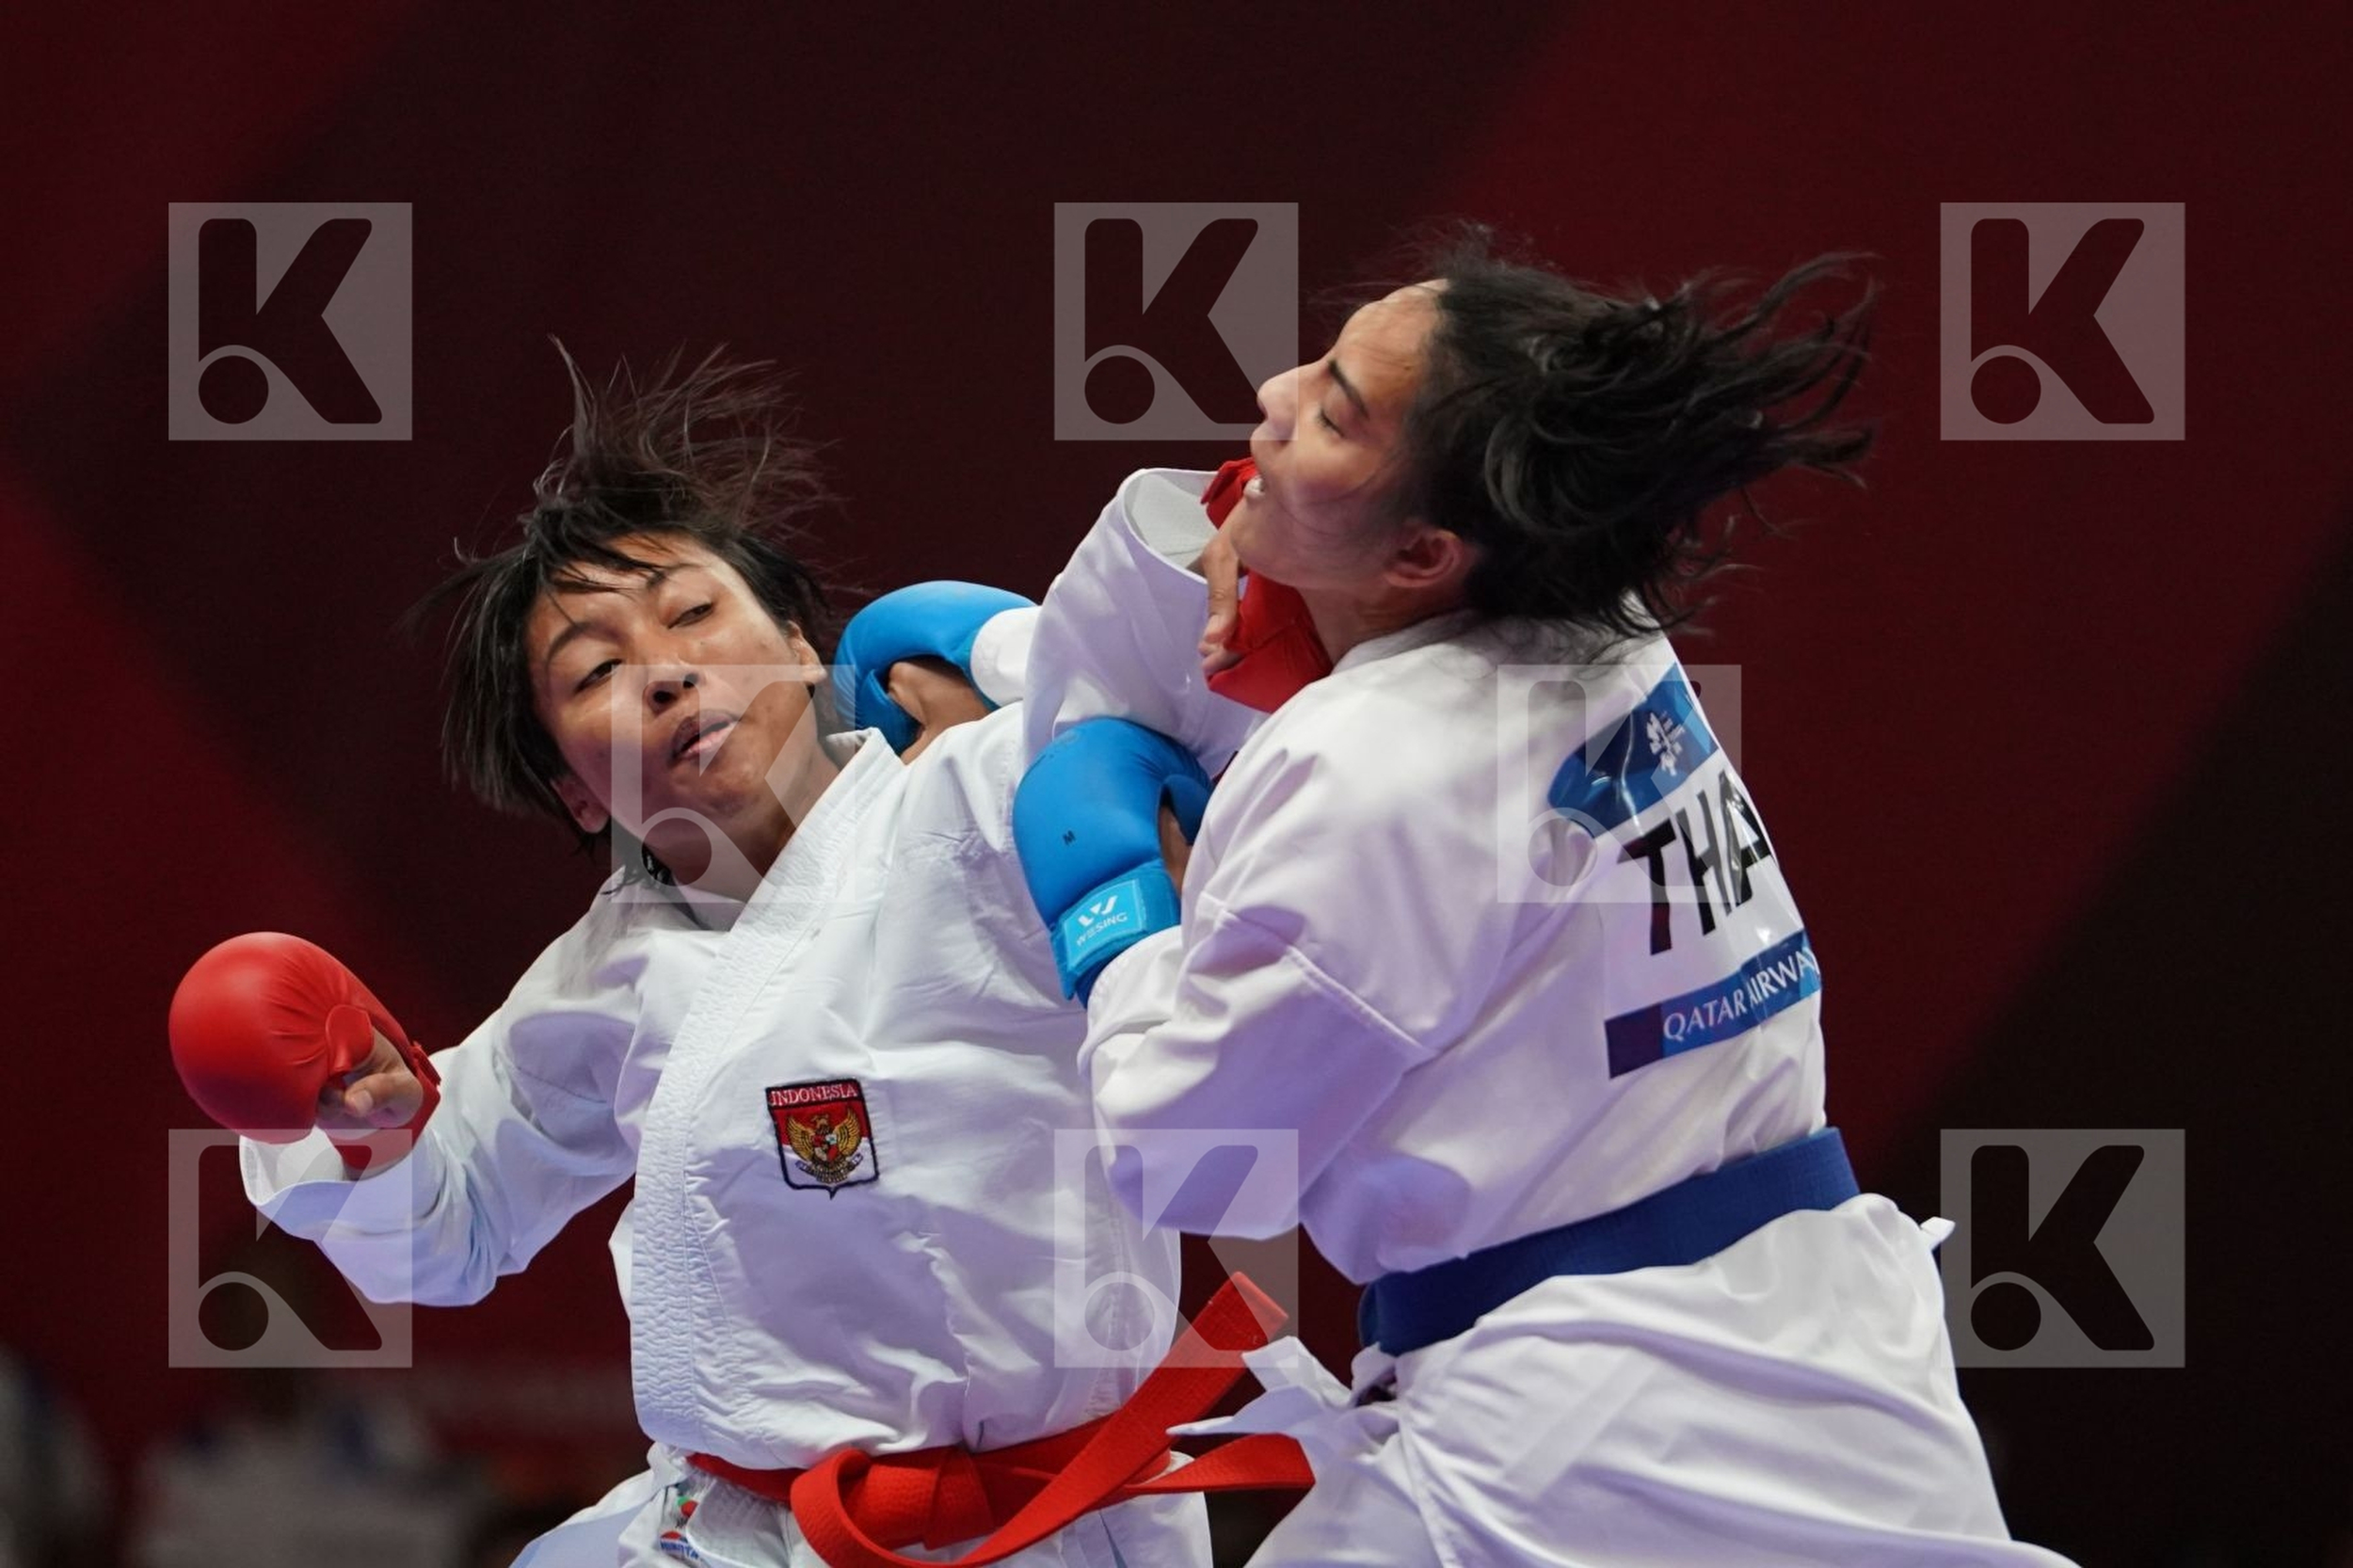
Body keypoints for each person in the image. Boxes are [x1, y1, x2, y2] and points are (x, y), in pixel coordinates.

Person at [1010, 230, 2081, 1565]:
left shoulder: (1367, 765)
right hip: (1827, 1353)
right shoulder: (1605, 623)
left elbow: (1198, 1158)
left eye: (1333, 411)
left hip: (1577, 1427)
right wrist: (1271, 514)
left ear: (1425, 551)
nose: (1273, 396)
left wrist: (1117, 918)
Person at [167, 349, 1281, 1568]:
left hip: (1046, 1529)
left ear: (800, 642)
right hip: (735, 1530)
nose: (667, 672)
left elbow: (1195, 676)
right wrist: (373, 1129)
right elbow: (453, 1223)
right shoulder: (613, 969)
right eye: (597, 671)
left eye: (694, 613)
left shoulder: (980, 791)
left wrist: (1015, 650)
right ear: (572, 790)